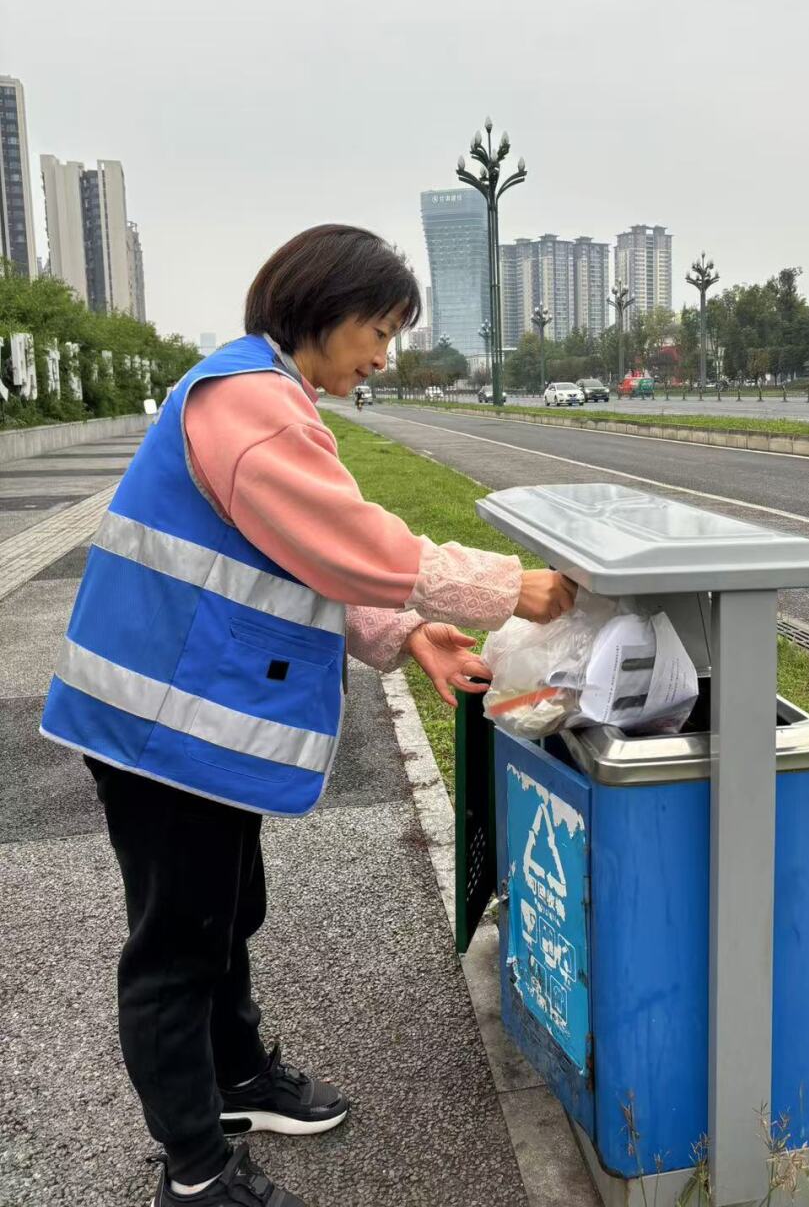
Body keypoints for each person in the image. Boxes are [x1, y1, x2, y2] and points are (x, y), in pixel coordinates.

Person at [40, 225, 577, 1207]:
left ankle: (237, 1078)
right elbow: (350, 542)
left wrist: (408, 633)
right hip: (163, 727)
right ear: (322, 311)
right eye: (379, 329)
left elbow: (304, 557)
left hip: (185, 722)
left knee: (226, 910)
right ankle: (197, 1174)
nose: (384, 355)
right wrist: (509, 587)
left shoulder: (260, 395)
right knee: (177, 944)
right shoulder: (252, 410)